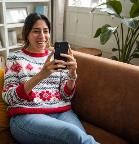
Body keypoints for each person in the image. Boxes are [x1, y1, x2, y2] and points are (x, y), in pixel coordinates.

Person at [2, 13, 99, 144]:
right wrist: (42, 75)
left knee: (79, 137)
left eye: (46, 31)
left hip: (62, 112)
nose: (42, 36)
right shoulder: (14, 58)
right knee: (75, 135)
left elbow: (66, 95)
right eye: (36, 31)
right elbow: (8, 97)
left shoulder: (56, 57)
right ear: (27, 33)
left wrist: (72, 74)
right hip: (27, 116)